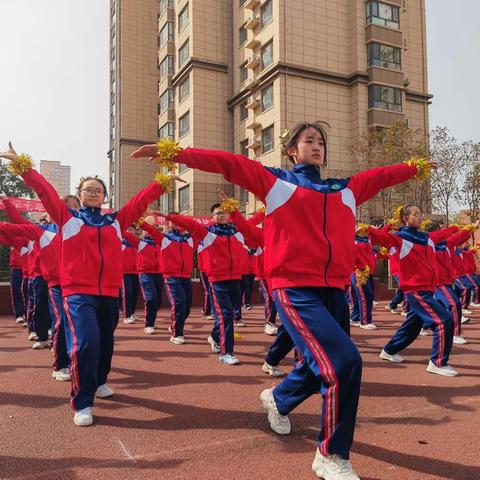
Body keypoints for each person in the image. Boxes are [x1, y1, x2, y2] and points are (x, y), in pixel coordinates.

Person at [132, 122, 430, 479]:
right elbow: (227, 163)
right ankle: (331, 455)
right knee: (345, 362)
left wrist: (416, 167)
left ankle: (278, 398)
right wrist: (175, 153)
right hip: (294, 288)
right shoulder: (276, 182)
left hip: (334, 288)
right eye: (309, 141)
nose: (317, 146)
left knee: (315, 364)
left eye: (321, 141)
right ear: (292, 150)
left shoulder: (346, 188)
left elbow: (383, 176)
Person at [0, 142, 182, 427]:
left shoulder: (116, 222)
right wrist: (23, 167)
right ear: (80, 195)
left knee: (106, 343)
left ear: (104, 196)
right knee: (86, 343)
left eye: (98, 190)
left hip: (110, 293)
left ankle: (99, 381)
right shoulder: (68, 220)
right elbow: (45, 192)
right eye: (88, 190)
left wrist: (162, 182)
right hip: (77, 293)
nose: (93, 193)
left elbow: (139, 202)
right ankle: (82, 401)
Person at [368, 205, 459, 377]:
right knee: (444, 320)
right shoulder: (400, 239)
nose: (420, 217)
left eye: (420, 214)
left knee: (412, 327)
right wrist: (368, 229)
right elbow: (380, 238)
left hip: (427, 289)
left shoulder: (428, 238)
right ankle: (438, 362)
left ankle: (388, 350)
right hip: (416, 290)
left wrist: (459, 228)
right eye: (415, 214)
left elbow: (445, 234)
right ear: (405, 218)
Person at [158, 204, 246, 365]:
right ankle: (226, 353)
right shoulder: (206, 233)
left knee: (230, 314)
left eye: (224, 213)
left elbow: (251, 222)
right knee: (225, 314)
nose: (221, 215)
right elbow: (190, 223)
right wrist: (168, 216)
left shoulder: (238, 232)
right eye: (217, 213)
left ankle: (214, 336)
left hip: (235, 278)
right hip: (217, 279)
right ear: (212, 216)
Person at [139, 214, 196, 344]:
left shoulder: (191, 238)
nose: (175, 223)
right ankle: (176, 334)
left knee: (187, 306)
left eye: (177, 220)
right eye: (171, 221)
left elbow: (194, 225)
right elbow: (144, 225)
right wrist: (139, 213)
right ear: (167, 224)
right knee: (179, 303)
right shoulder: (164, 238)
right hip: (171, 277)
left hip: (186, 276)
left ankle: (174, 325)